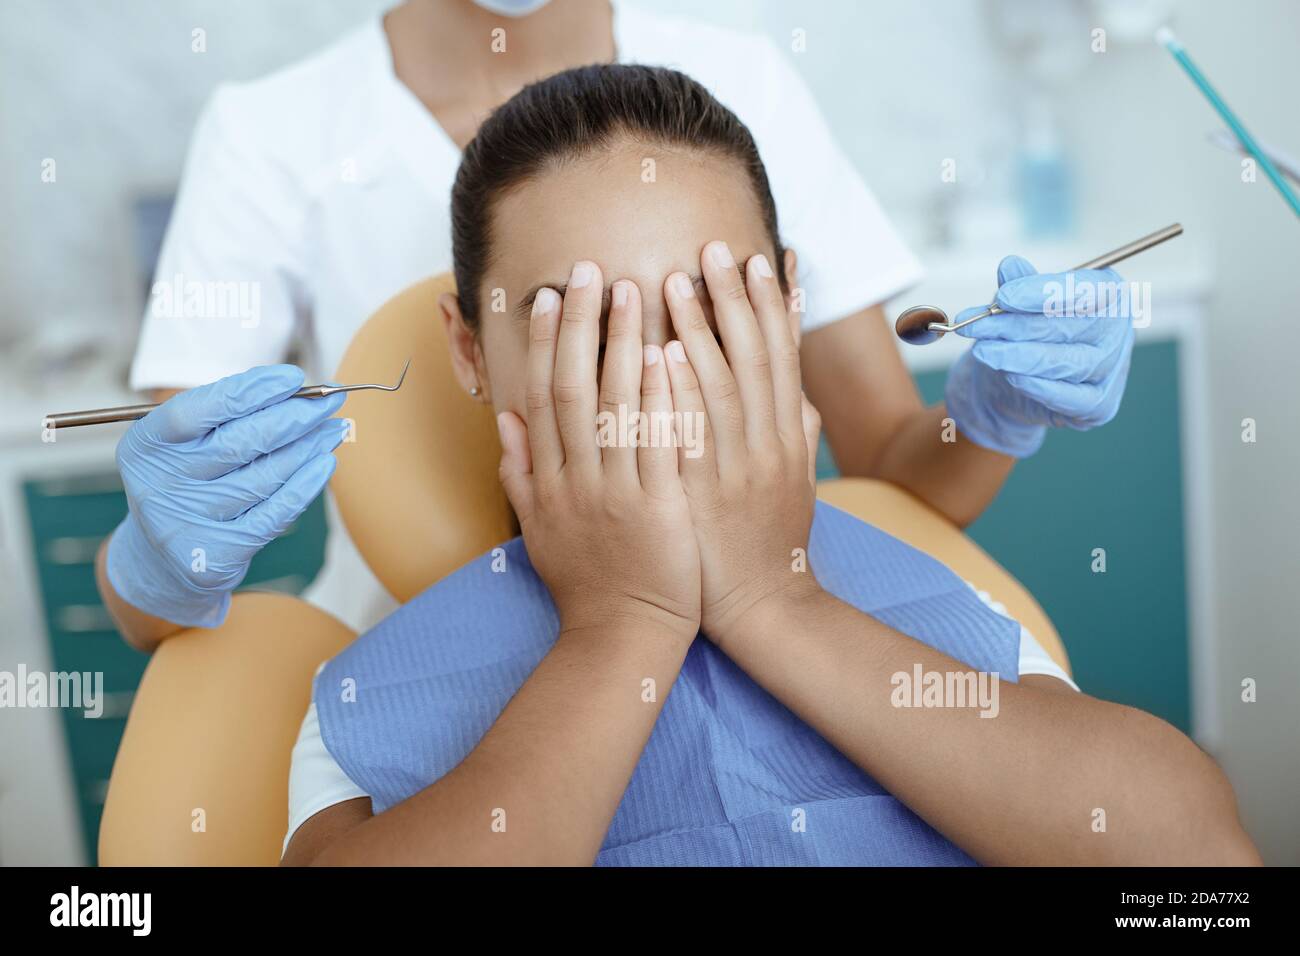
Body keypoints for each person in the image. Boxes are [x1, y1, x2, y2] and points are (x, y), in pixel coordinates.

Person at [279, 65, 1256, 866]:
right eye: (576, 323)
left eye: (705, 310)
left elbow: (1195, 861)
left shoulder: (929, 600)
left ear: (786, 303)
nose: (654, 375)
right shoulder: (366, 704)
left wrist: (769, 602)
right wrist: (623, 626)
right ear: (469, 351)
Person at [98, 0, 1138, 648]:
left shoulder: (739, 86)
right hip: (421, 644)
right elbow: (164, 594)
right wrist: (157, 556)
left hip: (759, 616)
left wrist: (992, 412)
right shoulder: (271, 132)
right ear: (465, 342)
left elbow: (898, 471)